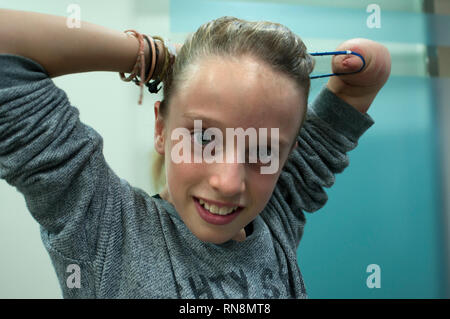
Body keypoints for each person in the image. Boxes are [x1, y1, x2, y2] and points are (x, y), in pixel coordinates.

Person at [0, 9, 391, 298]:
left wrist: (367, 59)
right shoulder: (105, 229)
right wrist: (159, 58)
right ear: (160, 128)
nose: (228, 182)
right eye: (204, 138)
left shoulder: (275, 219)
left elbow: (365, 72)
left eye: (263, 151)